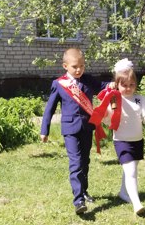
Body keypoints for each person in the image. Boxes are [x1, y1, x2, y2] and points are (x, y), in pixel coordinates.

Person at [40, 48, 108, 215]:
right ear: (65, 66)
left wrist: (114, 84)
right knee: (75, 163)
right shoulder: (59, 84)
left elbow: (102, 87)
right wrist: (45, 130)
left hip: (87, 127)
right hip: (70, 129)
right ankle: (78, 200)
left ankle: (84, 191)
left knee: (85, 161)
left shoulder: (87, 80)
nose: (79, 70)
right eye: (75, 66)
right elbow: (50, 108)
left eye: (82, 66)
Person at [103, 58, 145, 215]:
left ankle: (123, 193)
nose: (128, 88)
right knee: (131, 171)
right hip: (121, 141)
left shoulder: (140, 100)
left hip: (137, 141)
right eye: (124, 85)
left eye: (131, 85)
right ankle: (136, 203)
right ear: (117, 84)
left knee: (130, 169)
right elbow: (107, 118)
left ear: (136, 85)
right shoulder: (114, 99)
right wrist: (107, 109)